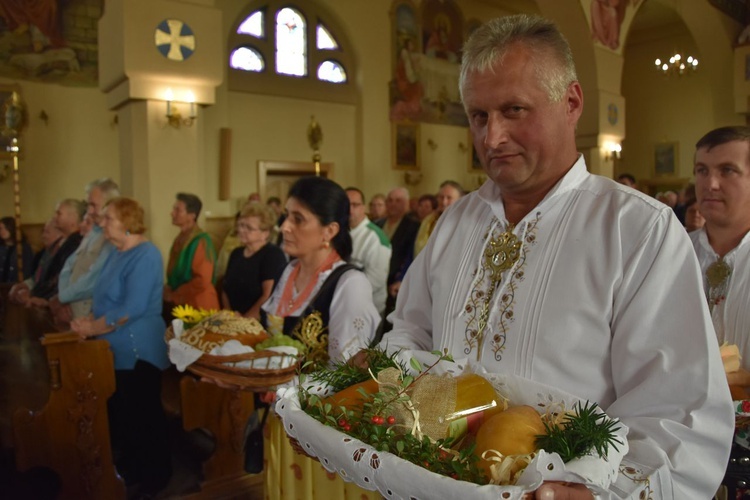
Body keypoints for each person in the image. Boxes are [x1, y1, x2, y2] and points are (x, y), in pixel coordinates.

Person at [376, 14, 732, 498]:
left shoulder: (636, 229)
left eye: (514, 110)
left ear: (571, 102)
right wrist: (379, 415)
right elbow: (410, 328)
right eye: (479, 117)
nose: (492, 138)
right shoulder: (455, 223)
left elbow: (679, 406)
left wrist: (604, 492)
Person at [262, 176, 380, 500]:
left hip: (321, 432)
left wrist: (284, 389)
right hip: (282, 420)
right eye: (286, 216)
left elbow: (345, 374)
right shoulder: (290, 271)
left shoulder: (349, 284)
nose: (284, 227)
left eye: (298, 219)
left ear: (329, 231)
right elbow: (270, 340)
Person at [71, 197, 172, 497]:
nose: (103, 223)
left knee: (144, 414)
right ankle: (132, 467)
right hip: (111, 351)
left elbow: (132, 307)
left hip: (138, 349)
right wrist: (87, 320)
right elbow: (104, 298)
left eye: (109, 218)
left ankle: (156, 477)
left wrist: (92, 327)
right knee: (124, 413)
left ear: (128, 223)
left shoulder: (146, 255)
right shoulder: (115, 252)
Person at [52, 178, 118, 325]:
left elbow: (94, 280)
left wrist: (63, 297)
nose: (89, 211)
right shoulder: (94, 231)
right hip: (74, 311)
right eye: (89, 205)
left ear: (110, 205)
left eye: (93, 205)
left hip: (91, 315)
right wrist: (64, 297)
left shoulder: (112, 238)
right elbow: (69, 264)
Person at [9, 199, 84, 306]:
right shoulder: (57, 245)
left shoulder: (77, 243)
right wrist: (27, 288)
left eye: (59, 213)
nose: (55, 217)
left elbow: (59, 279)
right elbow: (42, 275)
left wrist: (39, 297)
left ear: (73, 217)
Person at [221, 202, 286, 320]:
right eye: (241, 225)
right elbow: (225, 288)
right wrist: (229, 316)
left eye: (248, 228)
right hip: (233, 320)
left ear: (265, 233)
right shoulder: (236, 253)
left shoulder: (272, 255)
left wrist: (245, 321)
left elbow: (268, 295)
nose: (241, 230)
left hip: (258, 323)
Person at [164, 193, 220, 310]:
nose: (172, 213)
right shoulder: (180, 239)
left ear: (192, 215)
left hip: (199, 304)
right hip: (182, 304)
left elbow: (202, 280)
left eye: (177, 210)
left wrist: (176, 294)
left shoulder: (201, 241)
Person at [345, 187, 391, 315]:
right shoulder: (339, 232)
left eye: (355, 205)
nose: (349, 209)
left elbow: (376, 279)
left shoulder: (375, 237)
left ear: (364, 207)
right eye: (346, 204)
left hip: (367, 309)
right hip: (344, 306)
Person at [376, 187, 419, 320]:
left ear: (406, 203)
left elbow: (411, 255)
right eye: (390, 200)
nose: (393, 204)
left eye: (398, 201)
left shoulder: (413, 226)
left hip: (396, 281)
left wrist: (401, 279)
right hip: (377, 278)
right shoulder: (378, 224)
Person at [414, 180, 465, 256]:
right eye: (441, 197)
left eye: (449, 198)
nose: (444, 202)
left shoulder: (464, 222)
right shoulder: (429, 220)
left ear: (460, 200)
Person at [0, 216, 33, 283]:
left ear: (11, 228)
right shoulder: (1, 247)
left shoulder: (23, 248)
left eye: (6, 228)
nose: (2, 231)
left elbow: (28, 269)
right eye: (0, 229)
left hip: (16, 285)